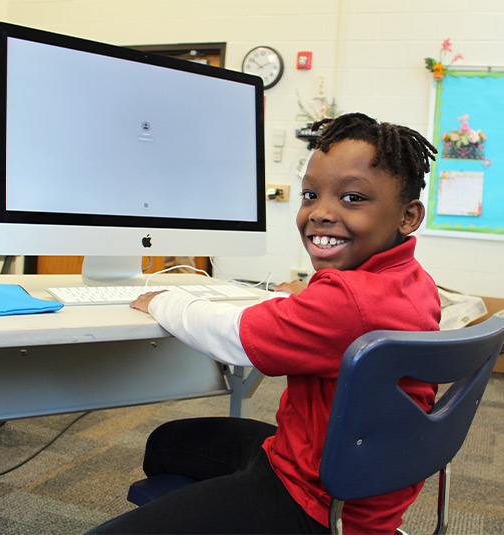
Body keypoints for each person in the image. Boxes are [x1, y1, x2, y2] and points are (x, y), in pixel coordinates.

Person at [89, 113, 441, 535]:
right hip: (350, 479)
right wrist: (302, 297)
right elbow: (342, 316)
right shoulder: (412, 281)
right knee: (167, 443)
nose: (320, 213)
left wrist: (164, 300)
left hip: (313, 504)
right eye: (311, 194)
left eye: (352, 198)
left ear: (408, 216)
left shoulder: (346, 302)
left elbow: (235, 336)